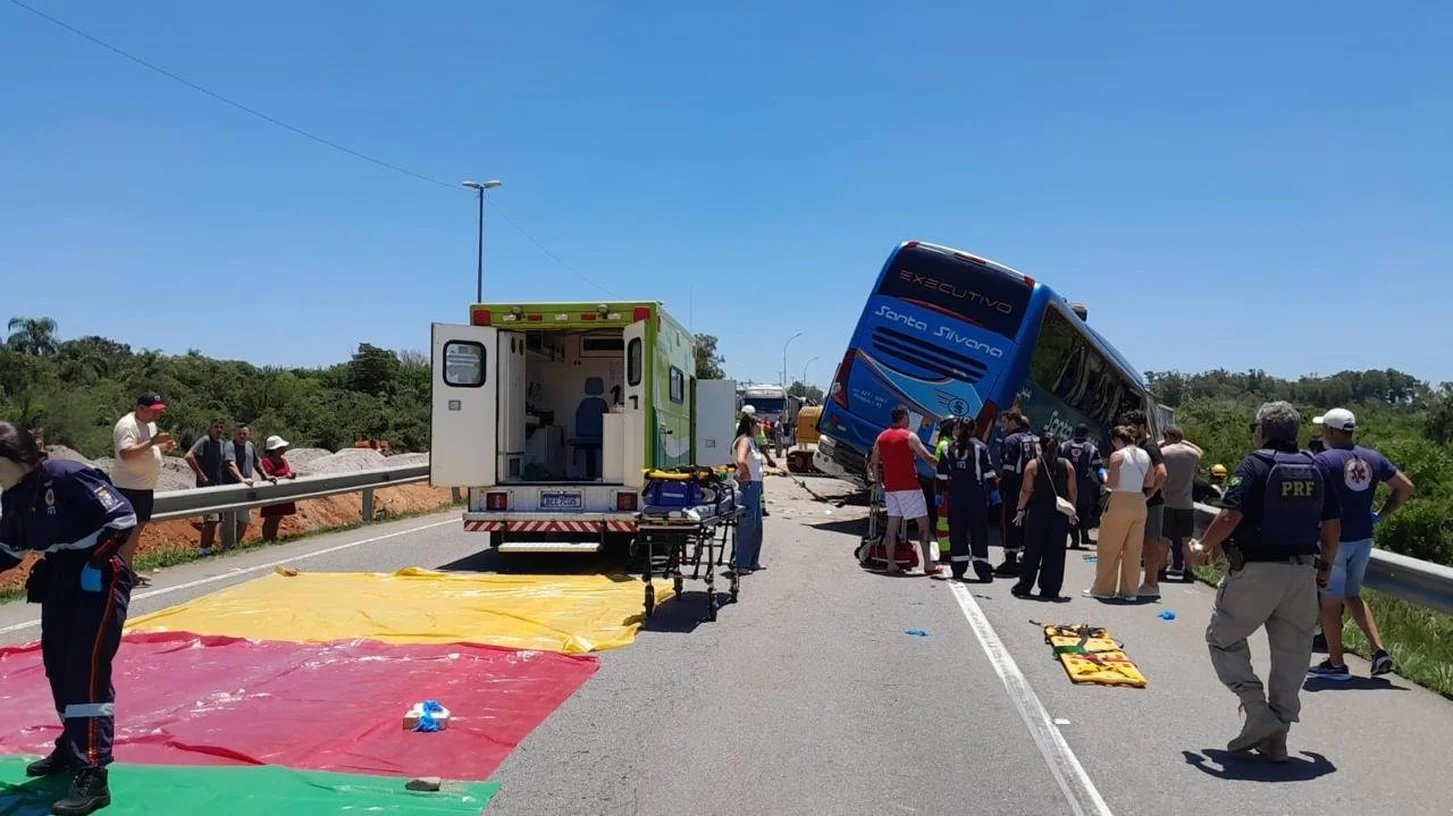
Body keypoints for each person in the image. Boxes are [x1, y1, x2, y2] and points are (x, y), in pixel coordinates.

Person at [1187, 401, 1340, 762]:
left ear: (1262, 430)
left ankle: (1257, 711)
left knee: (1223, 639)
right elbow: (1332, 524)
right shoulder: (1316, 467)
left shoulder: (1255, 463)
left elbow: (1230, 514)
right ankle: (1277, 736)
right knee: (1293, 656)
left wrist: (1202, 546)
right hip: (1302, 572)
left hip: (1257, 571)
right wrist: (1327, 566)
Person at [0, 422, 137, 815]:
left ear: (9, 457)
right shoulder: (15, 495)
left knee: (86, 669)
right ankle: (72, 745)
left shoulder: (66, 475)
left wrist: (95, 563)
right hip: (60, 578)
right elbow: (9, 550)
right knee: (57, 666)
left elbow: (122, 518)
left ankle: (93, 770)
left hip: (97, 578)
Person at [1307, 408, 1415, 680]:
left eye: (1324, 429)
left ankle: (1336, 664)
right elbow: (1405, 487)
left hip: (1333, 540)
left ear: (1331, 432)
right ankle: (1379, 651)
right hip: (1363, 538)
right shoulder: (1373, 458)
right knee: (1352, 595)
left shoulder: (1323, 461)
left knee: (1329, 603)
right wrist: (1381, 514)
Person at [867, 406, 941, 576]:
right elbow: (927, 457)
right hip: (910, 488)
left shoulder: (882, 437)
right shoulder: (909, 436)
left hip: (891, 489)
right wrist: (944, 466)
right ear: (905, 417)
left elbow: (874, 462)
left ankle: (891, 564)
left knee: (891, 528)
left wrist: (879, 483)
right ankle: (928, 564)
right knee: (924, 525)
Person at [110, 393, 174, 585]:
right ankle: (120, 573)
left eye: (159, 411)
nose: (157, 415)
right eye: (153, 411)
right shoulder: (127, 425)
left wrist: (162, 448)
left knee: (136, 531)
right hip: (129, 487)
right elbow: (126, 454)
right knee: (127, 532)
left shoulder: (149, 425)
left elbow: (146, 449)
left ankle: (127, 569)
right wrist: (153, 442)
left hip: (144, 487)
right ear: (140, 408)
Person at [1085, 426, 1152, 600]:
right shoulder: (1145, 455)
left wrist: (1105, 478)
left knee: (1109, 547)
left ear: (1117, 440)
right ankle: (1129, 591)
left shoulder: (1118, 455)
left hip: (1119, 502)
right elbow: (1150, 480)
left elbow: (1112, 483)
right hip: (1139, 502)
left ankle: (1103, 589)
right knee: (1133, 550)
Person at [1012, 432, 1076, 600]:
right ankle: (1051, 588)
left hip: (1038, 511)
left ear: (1040, 446)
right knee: (1055, 551)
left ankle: (1025, 585)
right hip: (1060, 512)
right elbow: (1073, 491)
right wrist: (1072, 510)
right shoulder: (1067, 465)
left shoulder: (1033, 465)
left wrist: (1020, 510)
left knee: (1032, 550)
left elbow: (1026, 490)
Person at [934, 419, 997, 582]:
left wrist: (939, 494)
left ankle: (958, 569)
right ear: (974, 429)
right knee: (979, 534)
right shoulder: (981, 448)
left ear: (958, 429)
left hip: (956, 496)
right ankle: (982, 571)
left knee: (957, 533)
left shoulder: (948, 447)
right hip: (976, 497)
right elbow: (989, 473)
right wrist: (995, 493)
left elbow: (941, 475)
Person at [1120, 410, 1167, 599]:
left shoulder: (1150, 447)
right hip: (1139, 501)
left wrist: (1148, 494)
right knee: (1139, 542)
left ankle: (1151, 583)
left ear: (1142, 427)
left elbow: (1162, 473)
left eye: (1132, 429)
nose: (1130, 433)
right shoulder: (1138, 445)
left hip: (1152, 503)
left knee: (1150, 543)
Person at [995, 412, 1040, 576]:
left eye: (1005, 422)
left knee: (1009, 522)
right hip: (1035, 488)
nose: (1002, 426)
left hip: (1014, 488)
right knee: (1028, 523)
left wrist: (1001, 486)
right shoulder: (1036, 440)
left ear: (1014, 422)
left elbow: (1007, 468)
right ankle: (1028, 557)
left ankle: (1010, 560)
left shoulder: (1011, 440)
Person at [1160, 426, 1203, 583]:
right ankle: (1189, 572)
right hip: (1186, 504)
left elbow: (1153, 452)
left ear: (1168, 437)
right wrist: (1184, 441)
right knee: (1186, 541)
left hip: (1167, 502)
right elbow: (1200, 450)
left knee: (1164, 539)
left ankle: (1161, 569)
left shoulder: (1164, 453)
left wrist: (1164, 442)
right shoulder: (1192, 454)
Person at [222, 424, 276, 545]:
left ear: (248, 435)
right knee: (228, 520)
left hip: (245, 489)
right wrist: (241, 479)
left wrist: (266, 476)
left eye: (244, 434)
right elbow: (230, 464)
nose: (241, 436)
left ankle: (233, 545)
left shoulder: (250, 446)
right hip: (230, 487)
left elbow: (257, 464)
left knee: (244, 520)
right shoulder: (229, 446)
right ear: (234, 434)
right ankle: (226, 545)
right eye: (239, 433)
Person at [730, 414, 768, 575]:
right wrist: (745, 474)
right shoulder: (744, 441)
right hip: (748, 486)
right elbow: (741, 460)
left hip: (756, 486)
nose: (759, 427)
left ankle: (752, 560)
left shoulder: (753, 441)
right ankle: (741, 563)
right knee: (746, 525)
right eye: (756, 424)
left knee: (756, 525)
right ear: (750, 425)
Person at [184, 419, 228, 553]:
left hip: (219, 486)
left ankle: (208, 548)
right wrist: (202, 476)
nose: (219, 430)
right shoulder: (205, 441)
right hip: (207, 487)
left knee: (216, 520)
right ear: (210, 428)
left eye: (221, 427)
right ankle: (203, 549)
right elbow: (189, 456)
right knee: (210, 520)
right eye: (216, 427)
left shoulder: (221, 444)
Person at [1061, 425, 1105, 549]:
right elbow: (1099, 468)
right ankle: (1083, 537)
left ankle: (1076, 539)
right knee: (1084, 510)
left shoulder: (1064, 446)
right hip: (1084, 484)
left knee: (1070, 509)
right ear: (1086, 434)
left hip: (1067, 481)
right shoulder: (1091, 449)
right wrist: (1104, 481)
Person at [259, 435, 299, 542]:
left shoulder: (283, 461)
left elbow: (286, 472)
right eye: (280, 447)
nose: (283, 449)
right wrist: (284, 477)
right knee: (271, 517)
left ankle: (273, 537)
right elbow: (267, 477)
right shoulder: (266, 461)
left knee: (277, 517)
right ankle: (267, 539)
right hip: (272, 493)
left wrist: (290, 475)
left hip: (282, 492)